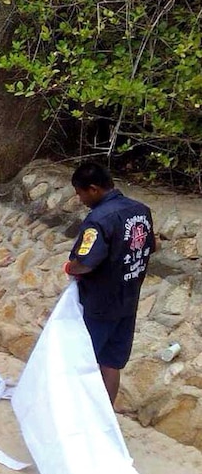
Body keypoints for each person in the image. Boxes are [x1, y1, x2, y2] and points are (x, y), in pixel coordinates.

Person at [64, 162, 155, 406]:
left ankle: (79, 415)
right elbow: (150, 247)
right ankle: (106, 417)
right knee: (111, 363)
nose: (79, 198)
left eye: (80, 192)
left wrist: (69, 267)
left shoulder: (100, 219)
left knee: (81, 360)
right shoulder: (141, 211)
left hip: (99, 305)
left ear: (93, 189)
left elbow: (86, 262)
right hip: (128, 301)